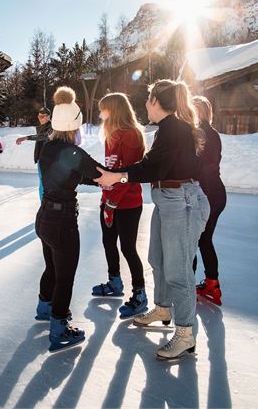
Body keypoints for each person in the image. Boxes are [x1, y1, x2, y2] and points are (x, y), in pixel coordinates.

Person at [94, 80, 210, 360]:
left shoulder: (175, 130)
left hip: (181, 201)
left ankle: (185, 334)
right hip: (167, 199)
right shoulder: (167, 130)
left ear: (156, 102)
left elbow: (151, 166)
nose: (145, 104)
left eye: (148, 99)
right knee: (157, 259)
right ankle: (163, 307)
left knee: (178, 269)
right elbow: (152, 167)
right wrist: (118, 174)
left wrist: (118, 175)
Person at [34, 86, 102, 352]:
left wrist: (93, 180)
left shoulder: (49, 147)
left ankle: (44, 307)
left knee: (51, 268)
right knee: (65, 276)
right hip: (62, 222)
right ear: (76, 126)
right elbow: (100, 173)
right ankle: (59, 327)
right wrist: (122, 177)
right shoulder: (75, 153)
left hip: (44, 218)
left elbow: (71, 175)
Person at [91, 92, 148, 320]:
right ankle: (115, 282)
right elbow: (112, 170)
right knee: (108, 242)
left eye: (105, 109)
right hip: (109, 200)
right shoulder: (111, 135)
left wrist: (113, 202)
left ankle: (140, 294)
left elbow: (130, 174)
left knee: (128, 248)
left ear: (115, 110)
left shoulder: (131, 135)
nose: (101, 113)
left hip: (128, 203)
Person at [192, 96, 226, 306]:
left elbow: (201, 166)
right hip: (217, 193)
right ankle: (212, 283)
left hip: (205, 194)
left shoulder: (198, 134)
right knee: (204, 239)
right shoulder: (213, 133)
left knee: (193, 239)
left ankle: (188, 284)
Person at [16, 107, 52, 198]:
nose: (40, 118)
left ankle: (45, 205)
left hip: (48, 159)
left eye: (42, 116)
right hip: (41, 159)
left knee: (45, 183)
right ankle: (43, 205)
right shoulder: (41, 127)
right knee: (42, 183)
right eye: (39, 116)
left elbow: (43, 136)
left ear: (48, 117)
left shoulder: (51, 127)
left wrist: (26, 138)